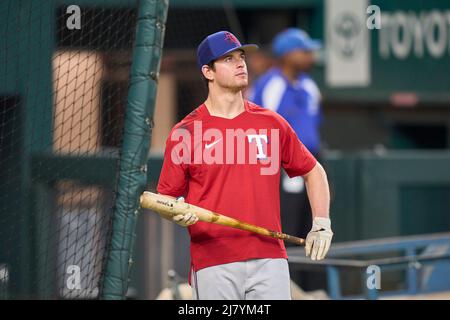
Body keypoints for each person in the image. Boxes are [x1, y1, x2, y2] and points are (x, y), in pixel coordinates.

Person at [156, 30, 332, 300]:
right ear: (208, 72)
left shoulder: (271, 123)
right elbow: (166, 198)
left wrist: (321, 222)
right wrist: (176, 211)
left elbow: (313, 170)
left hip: (269, 257)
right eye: (228, 59)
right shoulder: (186, 132)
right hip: (213, 259)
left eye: (241, 57)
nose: (240, 63)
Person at [249, 28, 323, 242]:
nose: (311, 56)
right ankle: (288, 276)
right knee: (285, 230)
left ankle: (309, 276)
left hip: (311, 163)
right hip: (282, 168)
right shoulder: (270, 85)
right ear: (288, 55)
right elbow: (258, 130)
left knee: (313, 230)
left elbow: (315, 126)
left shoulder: (309, 85)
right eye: (305, 51)